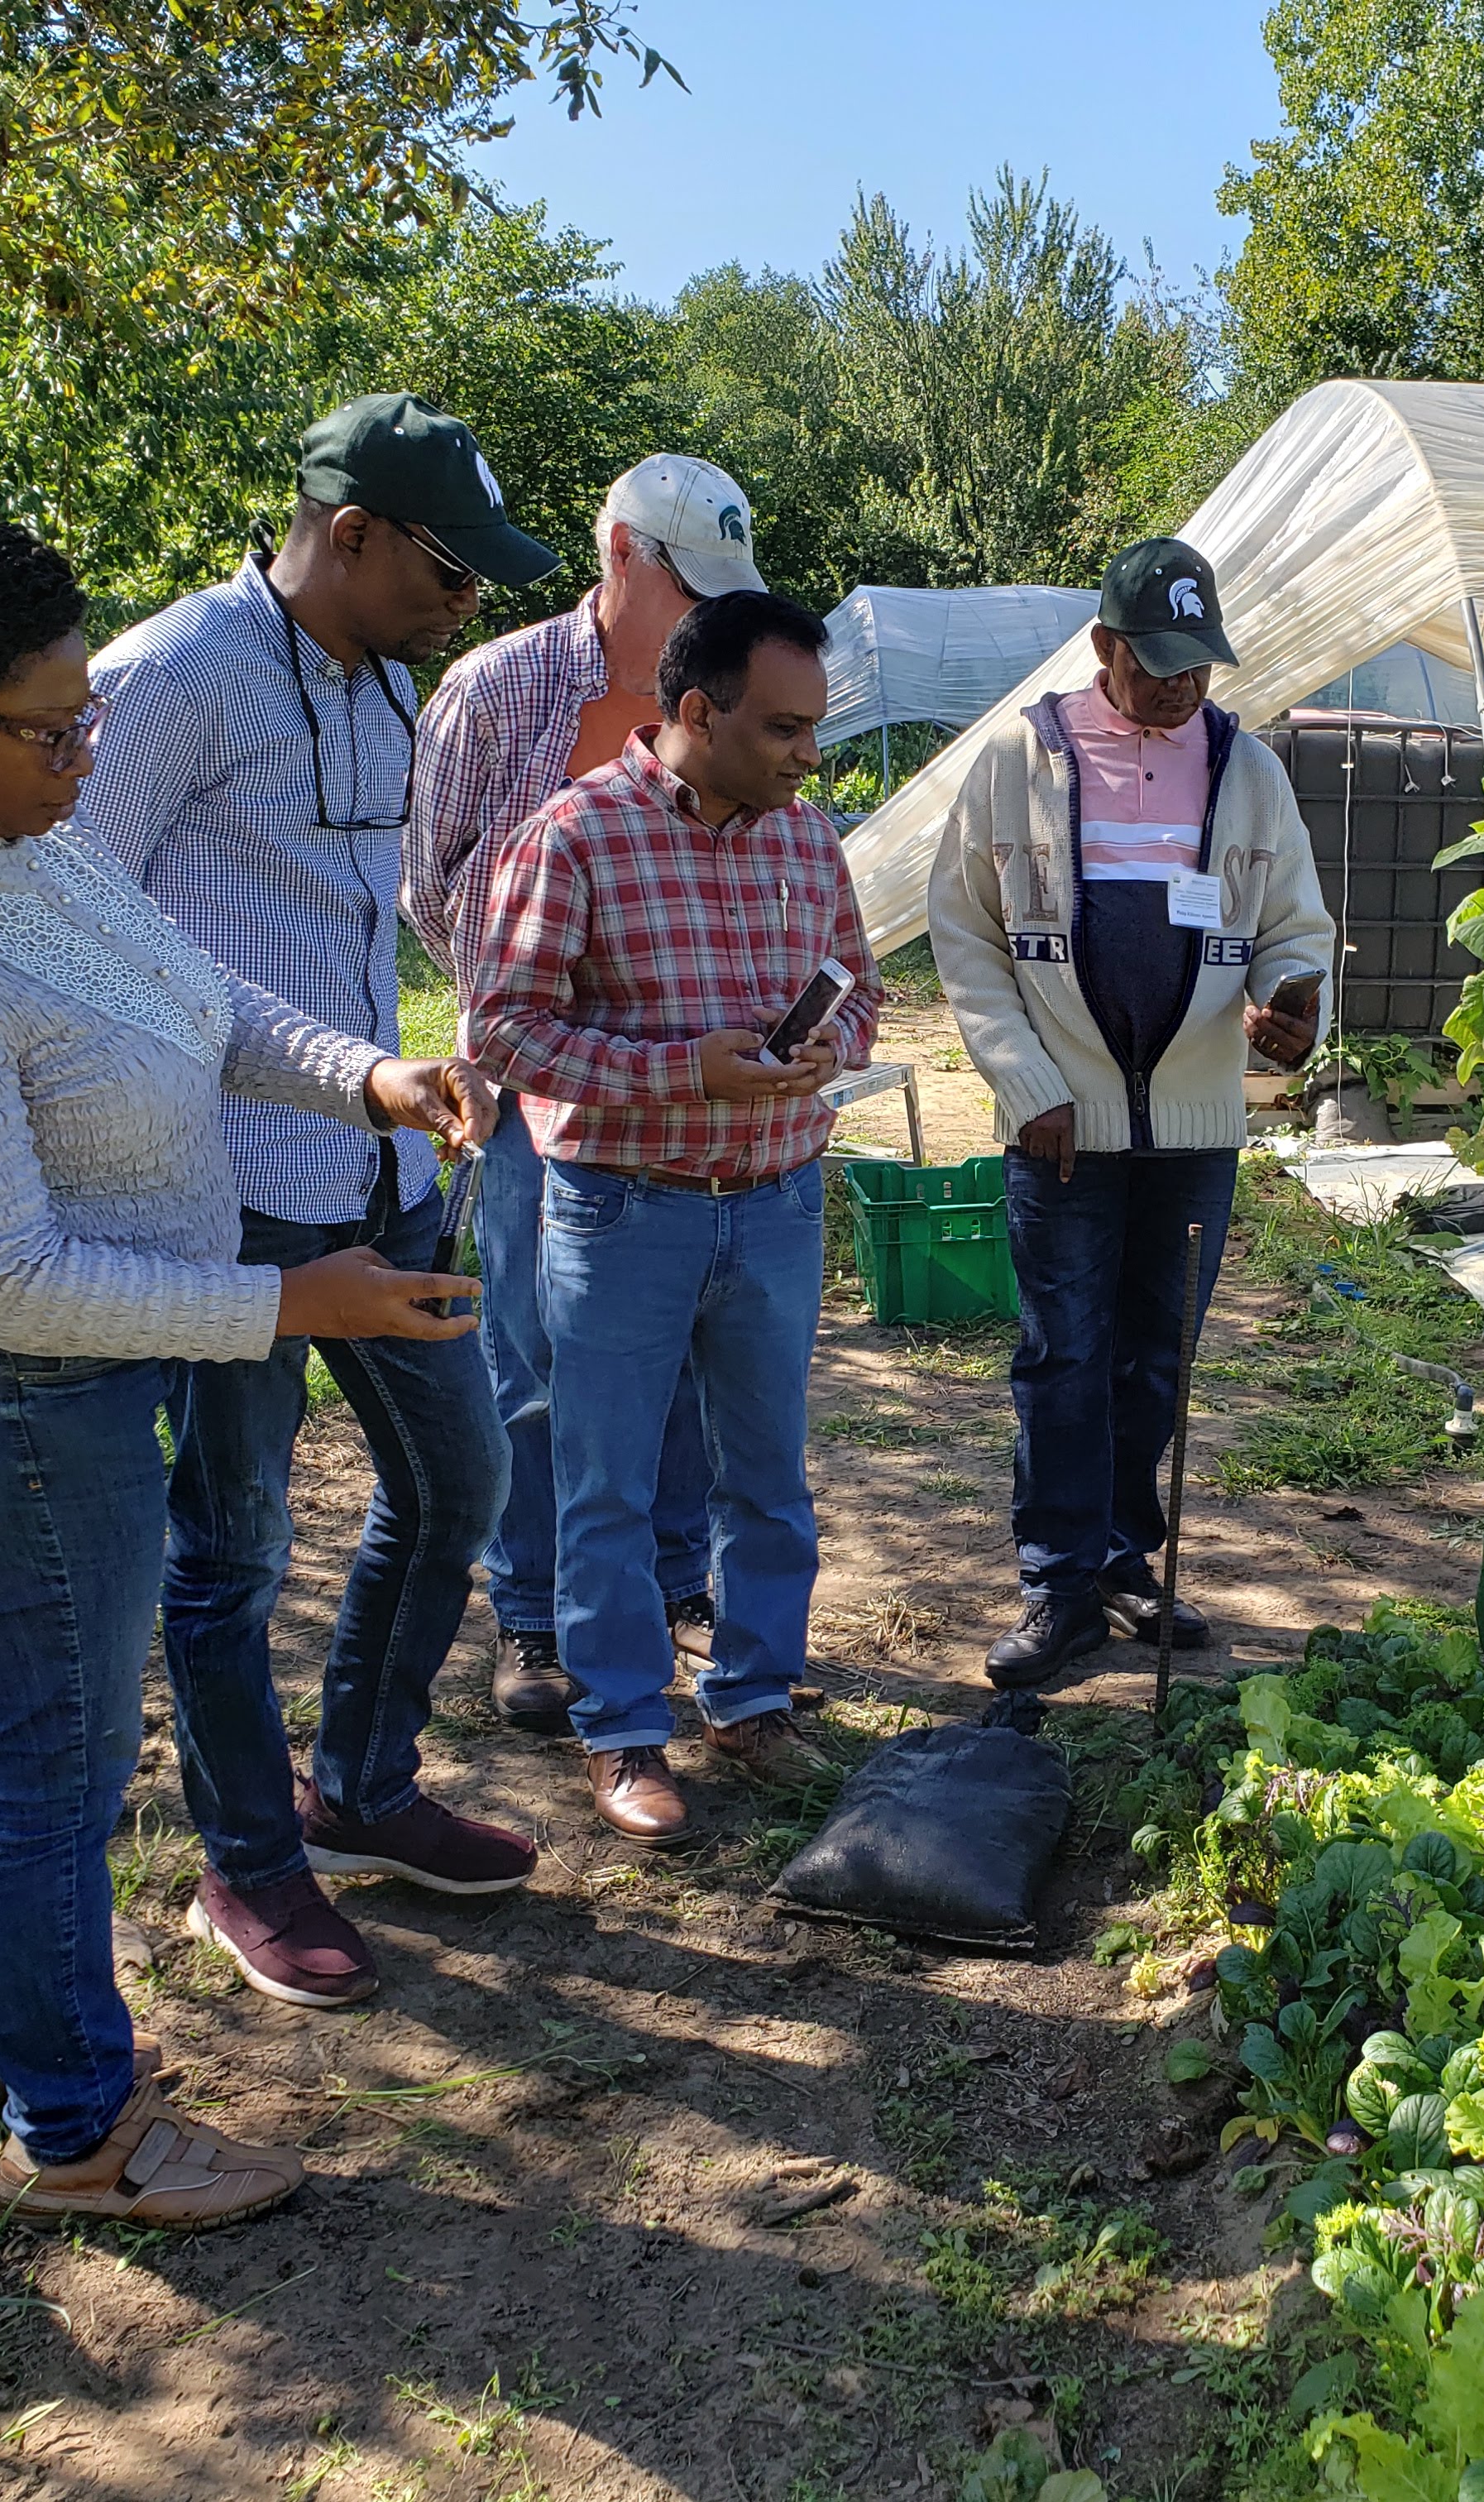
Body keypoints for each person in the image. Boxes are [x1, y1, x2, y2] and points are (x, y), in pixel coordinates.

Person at [0, 512, 491, 2223]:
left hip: (48, 1384)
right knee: (55, 1763)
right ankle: (78, 2129)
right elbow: (5, 1278)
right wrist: (288, 1305)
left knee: (20, 1731)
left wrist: (368, 1079)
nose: (87, 751)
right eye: (50, 725)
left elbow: (195, 999)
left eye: (88, 715)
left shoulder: (19, 850)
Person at [70, 394, 553, 2008]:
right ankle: (248, 1863)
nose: (466, 602)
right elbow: (76, 924)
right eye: (448, 568)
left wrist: (406, 1071)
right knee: (233, 1545)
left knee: (460, 1480)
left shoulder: (386, 684)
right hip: (223, 1197)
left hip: (382, 1169)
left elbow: (356, 913)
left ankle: (359, 1787)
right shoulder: (170, 677)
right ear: (348, 533)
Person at [466, 592, 878, 1843]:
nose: (810, 755)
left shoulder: (806, 838)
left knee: (768, 1477)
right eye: (784, 728)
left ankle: (751, 1699)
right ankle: (623, 1731)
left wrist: (831, 1049)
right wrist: (678, 1074)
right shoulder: (575, 836)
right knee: (607, 1484)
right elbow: (502, 1032)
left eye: (814, 728)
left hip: (775, 1203)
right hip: (622, 1211)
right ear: (698, 710)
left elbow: (860, 987)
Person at [929, 539, 1334, 1688]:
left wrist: (1292, 998)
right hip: (1061, 1123)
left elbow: (1295, 925)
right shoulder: (1018, 759)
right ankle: (1056, 1586)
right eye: (1157, 663)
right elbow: (966, 935)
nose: (1180, 686)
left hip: (1195, 1129)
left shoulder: (1247, 769)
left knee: (1158, 1358)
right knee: (1065, 1355)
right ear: (1104, 646)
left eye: (1198, 663)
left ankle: (1121, 1560)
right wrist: (1027, 1085)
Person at [406, 455, 770, 1733]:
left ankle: (673, 1585)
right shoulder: (497, 691)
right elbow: (432, 889)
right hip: (533, 1092)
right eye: (692, 585)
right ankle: (532, 1613)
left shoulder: (723, 694)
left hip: (688, 1094)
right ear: (621, 554)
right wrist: (546, 995)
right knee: (534, 1355)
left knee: (679, 1350)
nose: (711, 612)